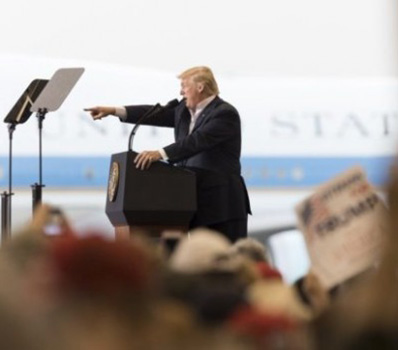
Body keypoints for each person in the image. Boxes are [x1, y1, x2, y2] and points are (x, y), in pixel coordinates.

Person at [85, 66, 251, 242]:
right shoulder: (183, 111)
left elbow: (196, 141)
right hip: (194, 205)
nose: (181, 92)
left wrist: (160, 153)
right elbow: (153, 114)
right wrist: (114, 110)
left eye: (184, 86)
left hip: (223, 207)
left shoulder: (224, 113)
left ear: (200, 87)